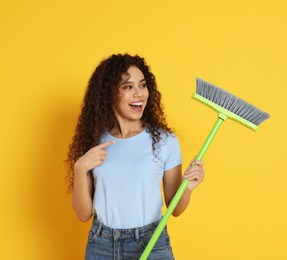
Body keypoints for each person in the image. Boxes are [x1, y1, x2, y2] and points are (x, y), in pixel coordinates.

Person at [65, 53, 205, 259]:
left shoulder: (165, 141)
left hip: (150, 241)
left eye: (142, 85)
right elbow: (83, 214)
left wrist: (188, 188)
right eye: (128, 87)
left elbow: (174, 209)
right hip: (101, 244)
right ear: (109, 93)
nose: (139, 94)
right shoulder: (94, 142)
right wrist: (79, 169)